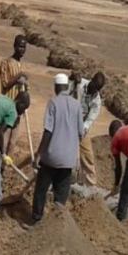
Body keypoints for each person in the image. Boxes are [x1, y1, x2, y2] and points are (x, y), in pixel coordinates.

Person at [29, 73, 85, 225]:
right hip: (68, 160)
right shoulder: (77, 105)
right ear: (66, 87)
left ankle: (36, 219)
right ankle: (57, 225)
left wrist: (39, 154)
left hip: (51, 157)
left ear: (56, 87)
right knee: (61, 195)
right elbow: (81, 133)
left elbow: (48, 131)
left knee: (41, 190)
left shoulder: (53, 103)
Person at [75, 71, 106, 186]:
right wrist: (72, 79)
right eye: (94, 87)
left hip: (82, 126)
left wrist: (81, 130)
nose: (95, 91)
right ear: (91, 80)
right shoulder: (80, 84)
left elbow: (90, 119)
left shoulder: (96, 100)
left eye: (98, 89)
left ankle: (91, 184)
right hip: (68, 121)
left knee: (87, 154)